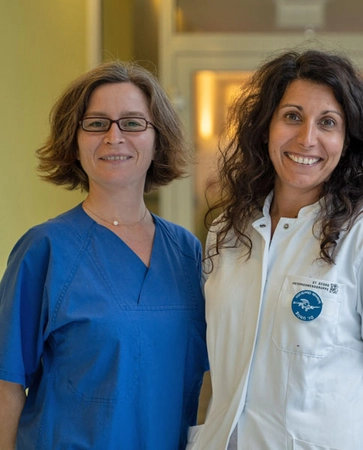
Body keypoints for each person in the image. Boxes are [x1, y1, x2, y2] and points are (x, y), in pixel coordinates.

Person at [186, 49, 363, 449]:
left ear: (347, 141)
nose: (307, 139)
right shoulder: (227, 233)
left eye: (328, 123)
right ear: (265, 126)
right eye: (292, 116)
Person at [0, 61, 208, 449]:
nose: (114, 136)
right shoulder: (44, 250)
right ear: (74, 142)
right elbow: (6, 385)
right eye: (96, 123)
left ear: (157, 140)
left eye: (132, 123)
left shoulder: (186, 253)